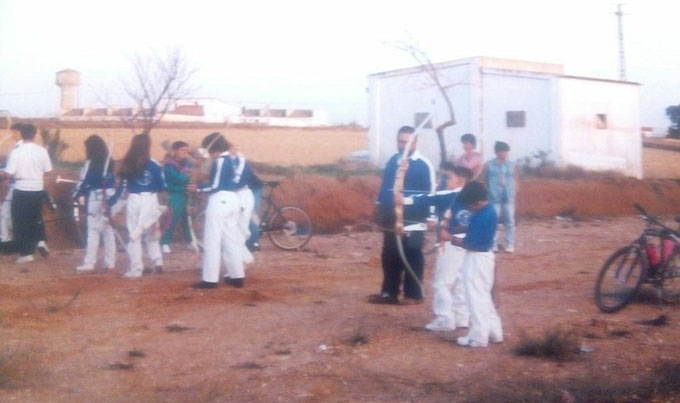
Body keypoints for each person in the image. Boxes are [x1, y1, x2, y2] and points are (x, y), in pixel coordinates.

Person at [369, 125, 435, 305]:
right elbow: (386, 185)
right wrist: (379, 206)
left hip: (414, 217)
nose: (403, 145)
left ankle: (413, 294)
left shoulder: (423, 164)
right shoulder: (392, 161)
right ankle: (389, 292)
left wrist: (431, 216)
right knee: (390, 253)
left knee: (412, 252)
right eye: (401, 141)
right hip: (391, 214)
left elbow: (430, 192)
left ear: (415, 142)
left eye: (407, 142)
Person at [404, 163, 473, 331]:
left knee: (442, 283)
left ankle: (445, 319)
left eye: (448, 177)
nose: (445, 180)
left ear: (460, 181)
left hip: (450, 244)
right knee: (460, 281)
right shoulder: (471, 197)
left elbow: (429, 199)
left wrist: (404, 200)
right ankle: (461, 317)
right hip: (467, 245)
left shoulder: (450, 195)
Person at [450, 181, 503, 348]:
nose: (468, 207)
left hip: (477, 259)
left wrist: (451, 239)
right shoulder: (488, 211)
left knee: (475, 297)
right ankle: (494, 331)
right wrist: (456, 231)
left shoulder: (482, 215)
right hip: (485, 258)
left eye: (468, 204)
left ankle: (478, 337)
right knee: (483, 296)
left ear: (477, 202)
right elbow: (471, 230)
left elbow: (470, 243)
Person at [191, 132, 244, 289]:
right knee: (230, 239)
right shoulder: (233, 159)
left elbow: (215, 185)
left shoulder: (221, 161)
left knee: (212, 240)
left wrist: (198, 188)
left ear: (214, 149)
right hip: (233, 199)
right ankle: (237, 276)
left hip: (220, 200)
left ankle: (210, 279)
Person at [108, 133, 166, 278]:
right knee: (151, 231)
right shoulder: (155, 164)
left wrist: (110, 203)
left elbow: (122, 188)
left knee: (134, 235)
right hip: (151, 200)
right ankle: (157, 261)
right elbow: (161, 186)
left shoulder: (128, 164)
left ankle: (136, 268)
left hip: (135, 200)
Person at [0, 123, 52, 263]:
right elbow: (48, 170)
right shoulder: (42, 150)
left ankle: (26, 253)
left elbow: (9, 173)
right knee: (34, 218)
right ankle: (40, 241)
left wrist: (2, 175)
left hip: (22, 189)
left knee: (20, 222)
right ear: (35, 135)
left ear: (22, 134)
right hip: (37, 189)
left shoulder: (17, 151)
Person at [73, 135, 118, 272]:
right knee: (107, 230)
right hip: (109, 196)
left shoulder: (91, 163)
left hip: (96, 197)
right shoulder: (110, 161)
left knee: (93, 230)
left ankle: (90, 263)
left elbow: (88, 181)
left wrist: (78, 194)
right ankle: (110, 262)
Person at [481, 141, 517, 253]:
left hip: (508, 196)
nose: (505, 153)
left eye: (506, 151)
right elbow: (483, 179)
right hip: (493, 196)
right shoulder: (488, 165)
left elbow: (515, 179)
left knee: (510, 221)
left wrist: (514, 192)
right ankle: (493, 244)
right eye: (503, 151)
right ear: (497, 152)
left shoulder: (512, 165)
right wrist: (487, 193)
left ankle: (510, 245)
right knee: (493, 221)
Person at [161, 141, 194, 253]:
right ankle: (165, 242)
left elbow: (189, 176)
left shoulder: (188, 163)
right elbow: (181, 178)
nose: (185, 152)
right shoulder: (169, 165)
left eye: (186, 150)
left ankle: (190, 241)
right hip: (175, 194)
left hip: (187, 193)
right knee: (172, 218)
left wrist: (187, 178)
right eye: (182, 150)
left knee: (188, 218)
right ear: (175, 151)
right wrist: (186, 178)